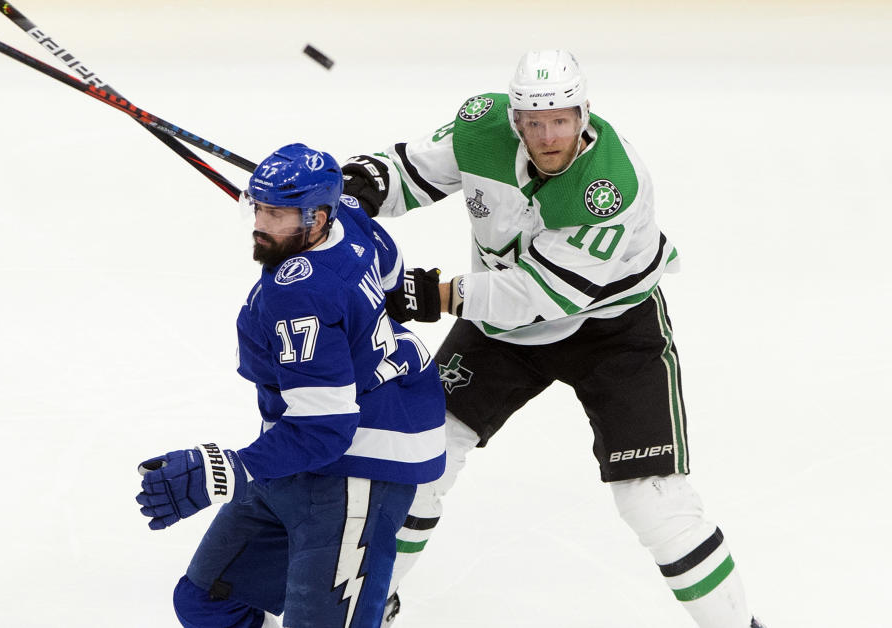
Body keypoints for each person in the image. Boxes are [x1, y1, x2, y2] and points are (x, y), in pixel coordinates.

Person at [342, 50, 765, 628]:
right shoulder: (481, 127)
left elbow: (543, 294)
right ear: (514, 119)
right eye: (533, 122)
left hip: (613, 329)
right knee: (421, 455)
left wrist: (436, 295)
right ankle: (370, 603)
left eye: (560, 120)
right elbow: (413, 171)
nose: (547, 135)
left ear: (583, 113)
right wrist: (358, 187)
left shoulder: (611, 186)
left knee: (655, 502)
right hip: (500, 332)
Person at [135, 143, 446, 628]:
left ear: (316, 218)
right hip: (312, 443)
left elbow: (326, 428)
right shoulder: (348, 218)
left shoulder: (301, 293)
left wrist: (230, 469)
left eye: (278, 214)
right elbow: (390, 275)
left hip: (365, 461)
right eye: (259, 207)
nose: (261, 224)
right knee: (208, 601)